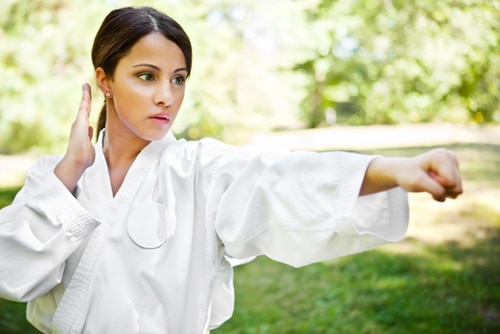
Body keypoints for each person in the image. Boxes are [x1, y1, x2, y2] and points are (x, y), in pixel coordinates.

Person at [0, 6, 462, 334]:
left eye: (178, 78)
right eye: (146, 76)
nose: (167, 95)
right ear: (105, 80)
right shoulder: (56, 178)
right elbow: (13, 272)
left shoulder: (200, 170)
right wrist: (70, 171)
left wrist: (394, 170)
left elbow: (279, 181)